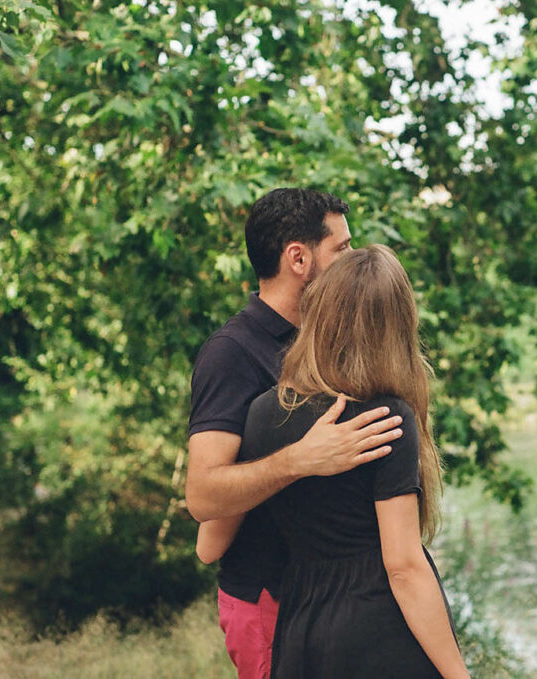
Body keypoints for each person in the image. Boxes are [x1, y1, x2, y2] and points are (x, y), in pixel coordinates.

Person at [186, 188, 403, 679]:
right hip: (269, 601)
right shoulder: (232, 353)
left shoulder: (325, 341)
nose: (354, 259)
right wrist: (299, 458)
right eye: (342, 250)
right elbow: (202, 496)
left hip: (334, 600)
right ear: (298, 258)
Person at [235, 244, 469, 678]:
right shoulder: (384, 417)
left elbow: (215, 535)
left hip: (302, 632)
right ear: (397, 325)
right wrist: (459, 674)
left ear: (321, 311)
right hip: (381, 635)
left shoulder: (263, 413)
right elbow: (402, 567)